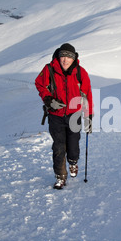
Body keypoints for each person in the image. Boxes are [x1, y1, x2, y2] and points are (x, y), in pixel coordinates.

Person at [35, 43, 93, 189]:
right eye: (63, 56)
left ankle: (73, 162)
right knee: (59, 147)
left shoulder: (81, 73)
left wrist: (89, 116)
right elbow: (39, 84)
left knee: (73, 145)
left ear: (74, 58)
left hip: (75, 115)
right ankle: (60, 176)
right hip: (56, 116)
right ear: (58, 56)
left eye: (69, 57)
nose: (65, 60)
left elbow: (87, 95)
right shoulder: (49, 69)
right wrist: (48, 100)